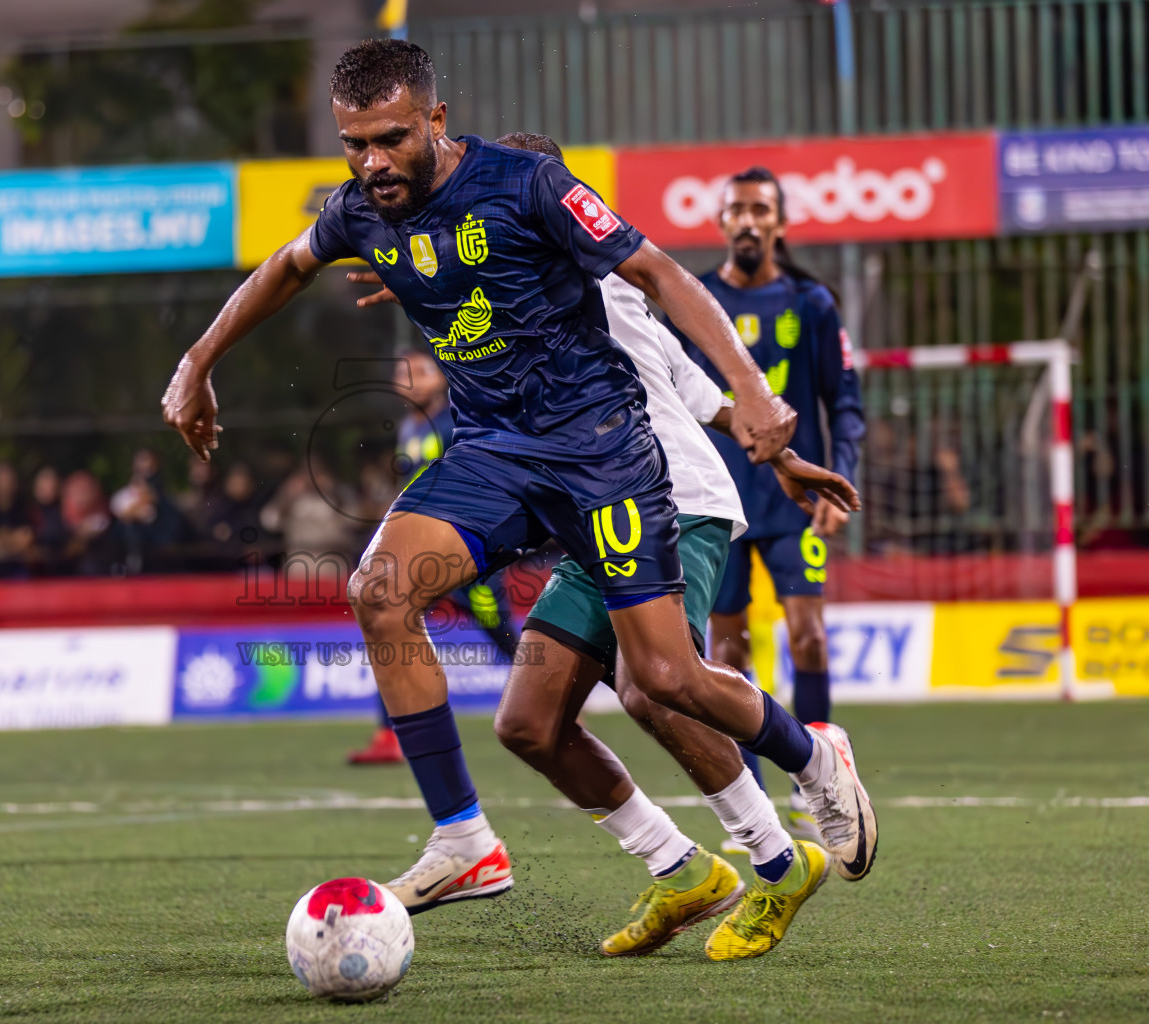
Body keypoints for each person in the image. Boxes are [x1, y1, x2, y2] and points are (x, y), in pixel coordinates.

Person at [162, 41, 876, 955]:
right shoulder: (362, 211)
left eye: (389, 139)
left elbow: (661, 275)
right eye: (354, 144)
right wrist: (197, 362)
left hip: (601, 454)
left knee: (661, 680)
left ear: (435, 121)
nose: (371, 161)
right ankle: (467, 841)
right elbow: (285, 267)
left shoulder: (533, 189)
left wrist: (759, 395)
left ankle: (812, 759)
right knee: (389, 598)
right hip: (498, 454)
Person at [350, 131, 866, 957]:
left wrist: (787, 453)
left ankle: (782, 841)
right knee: (528, 723)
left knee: (653, 685)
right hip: (592, 521)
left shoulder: (601, 286)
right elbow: (701, 390)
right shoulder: (537, 285)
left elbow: (703, 395)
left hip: (677, 502)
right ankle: (681, 869)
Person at [669, 167, 867, 847]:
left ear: (780, 223)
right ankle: (751, 800)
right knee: (728, 648)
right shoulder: (696, 300)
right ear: (720, 222)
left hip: (793, 501)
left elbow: (843, 401)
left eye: (760, 210)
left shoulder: (811, 303)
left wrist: (838, 480)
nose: (748, 221)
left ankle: (819, 785)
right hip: (716, 503)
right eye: (736, 210)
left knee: (807, 634)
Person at [346, 348, 521, 766]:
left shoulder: (455, 420)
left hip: (462, 549)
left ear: (441, 379)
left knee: (498, 627)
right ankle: (388, 734)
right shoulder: (410, 425)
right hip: (420, 549)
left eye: (419, 373)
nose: (408, 381)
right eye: (401, 374)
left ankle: (549, 694)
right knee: (390, 619)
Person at [0, 461, 35, 578]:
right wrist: (12, 538)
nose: (5, 483)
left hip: (17, 569)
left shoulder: (22, 506)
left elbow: (26, 539)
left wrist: (1, 538)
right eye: (1, 479)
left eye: (8, 479)